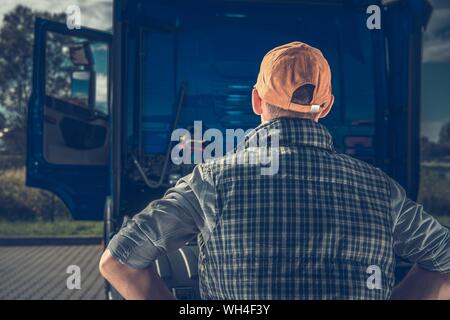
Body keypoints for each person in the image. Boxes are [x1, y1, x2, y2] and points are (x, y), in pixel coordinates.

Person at [99, 42, 450, 300]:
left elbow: (117, 262)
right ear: (325, 106)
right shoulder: (380, 189)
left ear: (255, 100)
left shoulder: (210, 181)